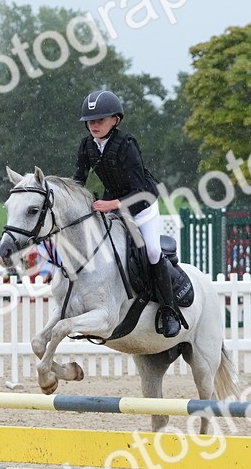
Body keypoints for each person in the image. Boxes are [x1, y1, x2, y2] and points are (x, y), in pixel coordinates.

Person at [73, 90, 181, 338]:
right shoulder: (87, 145)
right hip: (113, 206)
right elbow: (78, 179)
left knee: (152, 251)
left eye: (100, 120)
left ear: (115, 120)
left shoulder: (127, 145)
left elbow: (138, 190)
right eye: (90, 121)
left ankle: (169, 310)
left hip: (141, 206)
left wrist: (111, 204)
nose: (94, 125)